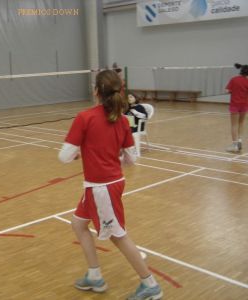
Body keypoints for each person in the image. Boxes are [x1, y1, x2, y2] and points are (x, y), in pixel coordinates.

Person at [58, 70, 162, 300]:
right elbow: (131, 158)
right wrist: (108, 155)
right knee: (78, 224)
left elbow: (64, 157)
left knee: (118, 236)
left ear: (96, 91)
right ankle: (94, 276)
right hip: (105, 184)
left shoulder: (85, 117)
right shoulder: (124, 119)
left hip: (101, 188)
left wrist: (81, 150)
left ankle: (150, 285)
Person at [226, 63, 248, 153]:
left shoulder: (234, 79)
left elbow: (227, 90)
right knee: (241, 123)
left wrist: (233, 91)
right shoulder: (247, 81)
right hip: (244, 105)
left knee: (234, 125)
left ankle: (235, 146)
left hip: (235, 105)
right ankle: (239, 142)